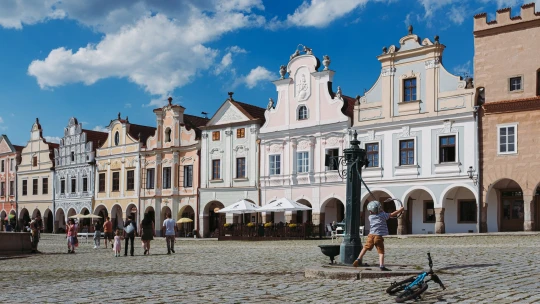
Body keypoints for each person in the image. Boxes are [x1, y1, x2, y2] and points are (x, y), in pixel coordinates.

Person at [353, 201, 403, 271]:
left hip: (371, 235)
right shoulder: (383, 215)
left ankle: (358, 259)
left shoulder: (370, 217)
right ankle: (382, 266)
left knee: (365, 248)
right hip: (378, 236)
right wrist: (400, 210)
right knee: (381, 252)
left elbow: (379, 214)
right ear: (379, 209)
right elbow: (392, 214)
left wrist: (381, 211)